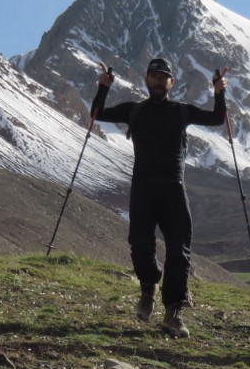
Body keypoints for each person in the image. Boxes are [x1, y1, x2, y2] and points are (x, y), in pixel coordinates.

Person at [90, 57, 227, 338]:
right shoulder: (134, 110)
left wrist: (219, 92)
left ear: (171, 83)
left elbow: (216, 118)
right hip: (143, 188)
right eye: (153, 75)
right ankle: (148, 286)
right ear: (146, 79)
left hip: (174, 188)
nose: (158, 80)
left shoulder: (181, 111)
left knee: (179, 249)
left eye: (163, 76)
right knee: (139, 244)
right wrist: (103, 86)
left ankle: (173, 311)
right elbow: (97, 113)